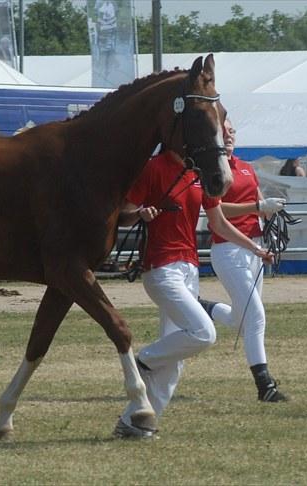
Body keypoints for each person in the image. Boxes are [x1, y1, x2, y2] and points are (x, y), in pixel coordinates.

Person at [114, 148, 274, 438]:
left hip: (189, 269)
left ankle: (133, 424)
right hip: (161, 269)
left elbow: (219, 223)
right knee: (203, 333)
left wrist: (256, 249)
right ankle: (142, 362)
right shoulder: (152, 168)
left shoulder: (199, 172)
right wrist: (140, 213)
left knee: (174, 362)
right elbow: (123, 212)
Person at [199, 118, 288, 403]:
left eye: (232, 131)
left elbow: (260, 207)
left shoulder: (248, 168)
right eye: (223, 131)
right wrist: (257, 206)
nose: (229, 135)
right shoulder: (214, 172)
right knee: (256, 316)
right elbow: (217, 208)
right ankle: (265, 384)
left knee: (242, 318)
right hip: (228, 250)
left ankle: (205, 308)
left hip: (254, 248)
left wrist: (271, 212)